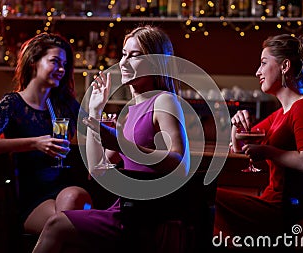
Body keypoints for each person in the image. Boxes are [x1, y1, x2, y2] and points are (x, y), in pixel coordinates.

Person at [32, 25, 191, 253]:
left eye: (134, 56)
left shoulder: (164, 100)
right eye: (124, 54)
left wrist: (121, 144)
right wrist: (96, 111)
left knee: (56, 225)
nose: (123, 62)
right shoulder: (128, 111)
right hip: (125, 209)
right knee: (63, 232)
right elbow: (97, 171)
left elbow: (181, 164)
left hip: (147, 216)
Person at [213, 34, 303, 248]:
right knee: (207, 201)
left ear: (284, 66)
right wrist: (236, 125)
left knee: (208, 197)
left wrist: (267, 152)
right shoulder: (282, 112)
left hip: (282, 211)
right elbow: (240, 146)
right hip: (271, 204)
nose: (258, 71)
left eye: (264, 63)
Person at [0, 33, 92, 235]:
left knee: (74, 199)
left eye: (64, 64)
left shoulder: (63, 105)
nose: (62, 69)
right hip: (32, 195)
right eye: (55, 62)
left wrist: (97, 109)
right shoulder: (12, 103)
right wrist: (34, 143)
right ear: (33, 62)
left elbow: (93, 129)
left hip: (63, 187)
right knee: (68, 230)